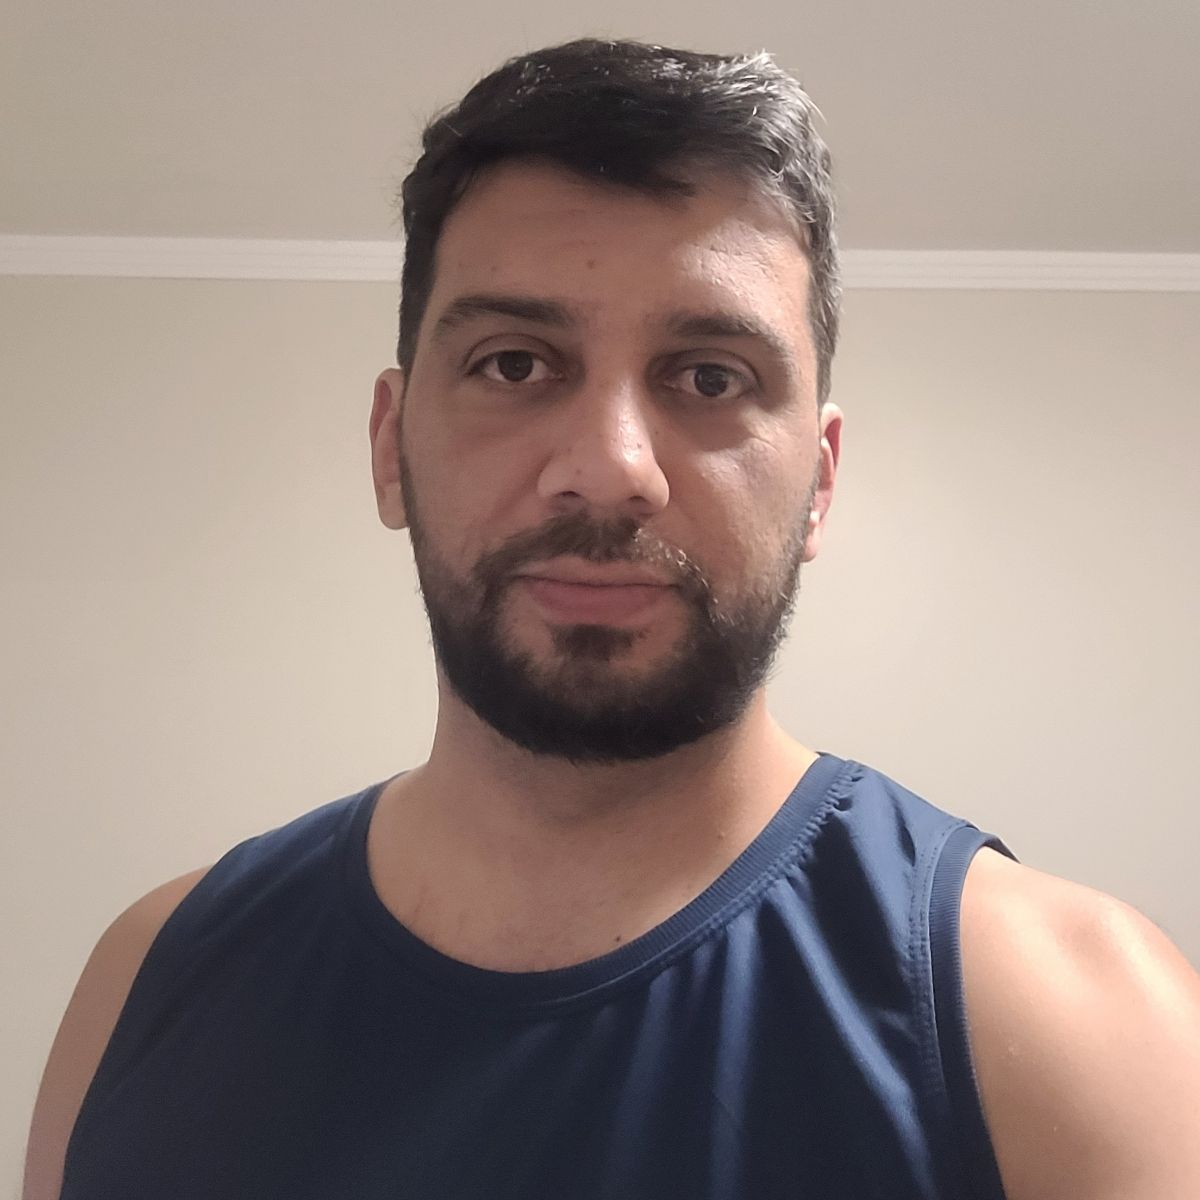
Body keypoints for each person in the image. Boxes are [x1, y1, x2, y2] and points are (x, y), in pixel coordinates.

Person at [23, 37, 1200, 1200]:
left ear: (819, 482)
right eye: (515, 364)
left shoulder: (1073, 1020)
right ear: (391, 448)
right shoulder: (149, 978)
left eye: (710, 377)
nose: (610, 468)